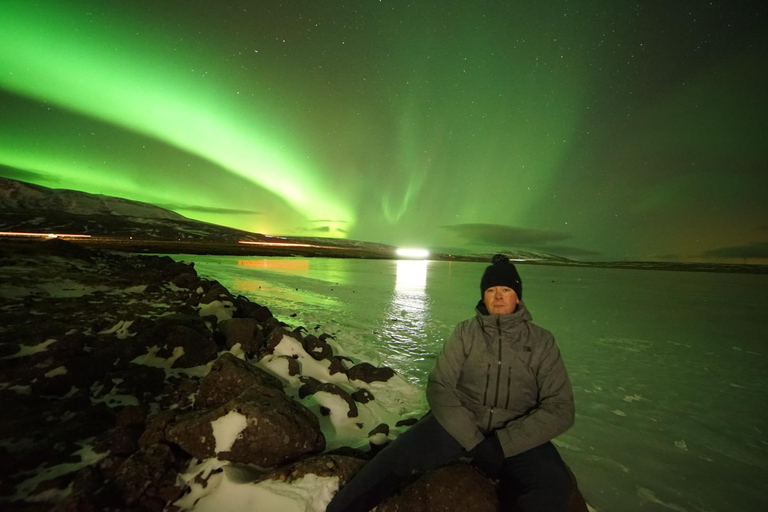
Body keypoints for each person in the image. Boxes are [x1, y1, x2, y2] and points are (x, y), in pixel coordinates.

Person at [326, 254, 575, 512]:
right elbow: (439, 385)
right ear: (483, 297)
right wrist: (474, 441)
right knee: (395, 459)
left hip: (519, 433)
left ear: (518, 297)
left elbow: (561, 407)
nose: (498, 296)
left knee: (555, 487)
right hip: (461, 424)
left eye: (505, 290)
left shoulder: (541, 341)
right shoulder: (466, 333)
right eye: (491, 290)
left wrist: (503, 444)